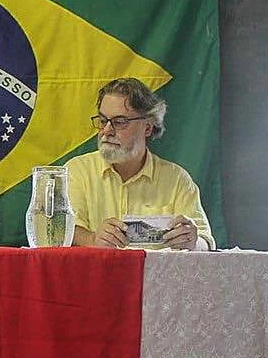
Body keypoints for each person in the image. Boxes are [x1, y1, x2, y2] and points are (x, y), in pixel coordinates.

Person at [65, 77, 215, 250]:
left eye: (119, 122)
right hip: (96, 268)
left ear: (148, 128)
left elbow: (206, 242)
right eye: (103, 120)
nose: (106, 131)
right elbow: (63, 231)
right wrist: (93, 239)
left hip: (155, 269)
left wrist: (193, 241)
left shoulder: (176, 179)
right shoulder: (76, 171)